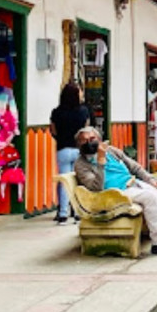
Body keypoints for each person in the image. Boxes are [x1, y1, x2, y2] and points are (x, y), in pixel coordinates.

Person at [73, 127, 157, 256]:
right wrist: (101, 162)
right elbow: (96, 187)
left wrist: (150, 180)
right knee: (149, 196)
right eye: (83, 141)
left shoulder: (112, 151)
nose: (88, 143)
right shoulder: (81, 164)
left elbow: (134, 167)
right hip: (112, 194)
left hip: (133, 185)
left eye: (92, 139)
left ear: (99, 140)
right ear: (79, 144)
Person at [50, 83, 89, 225]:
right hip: (79, 150)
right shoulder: (83, 111)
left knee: (64, 182)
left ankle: (62, 214)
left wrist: (61, 138)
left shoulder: (56, 112)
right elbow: (86, 131)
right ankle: (77, 212)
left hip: (63, 149)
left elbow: (53, 131)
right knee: (77, 181)